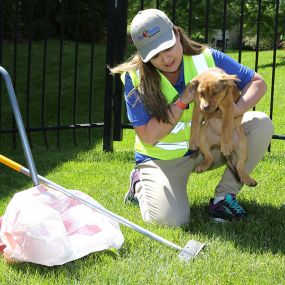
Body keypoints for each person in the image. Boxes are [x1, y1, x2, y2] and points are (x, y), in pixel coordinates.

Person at [110, 9, 274, 226]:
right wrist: (183, 99)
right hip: (163, 160)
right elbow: (148, 136)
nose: (166, 58)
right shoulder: (135, 78)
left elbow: (258, 83)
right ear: (143, 56)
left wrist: (232, 112)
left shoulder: (207, 58)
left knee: (260, 124)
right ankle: (139, 182)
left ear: (177, 34)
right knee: (170, 221)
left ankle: (223, 199)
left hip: (208, 146)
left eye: (168, 47)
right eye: (155, 55)